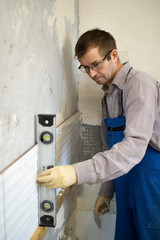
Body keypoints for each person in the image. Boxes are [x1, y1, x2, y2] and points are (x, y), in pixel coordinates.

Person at [37, 29, 160, 240]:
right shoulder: (107, 96)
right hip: (124, 180)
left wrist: (75, 173)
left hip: (149, 180)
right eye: (86, 68)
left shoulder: (139, 85)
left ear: (113, 55)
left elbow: (133, 147)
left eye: (96, 64)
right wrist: (105, 191)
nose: (92, 74)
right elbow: (111, 150)